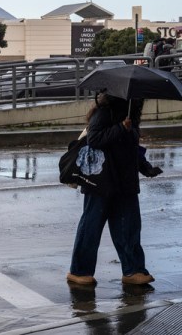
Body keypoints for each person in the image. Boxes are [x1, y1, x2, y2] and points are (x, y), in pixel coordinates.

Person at [67, 91, 161, 287]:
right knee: (91, 227)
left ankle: (133, 270)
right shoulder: (104, 113)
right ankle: (79, 271)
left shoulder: (131, 116)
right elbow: (94, 139)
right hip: (101, 181)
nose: (139, 101)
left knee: (129, 228)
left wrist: (145, 168)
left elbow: (131, 148)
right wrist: (120, 127)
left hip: (125, 181)